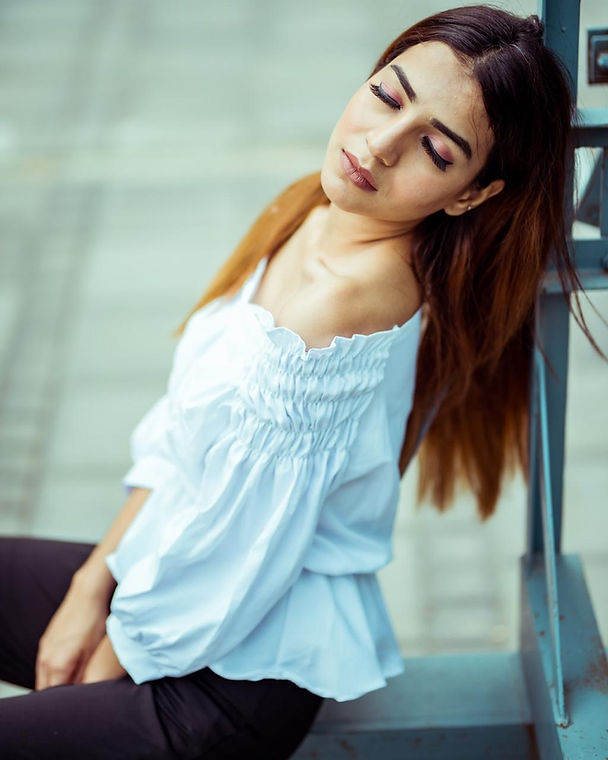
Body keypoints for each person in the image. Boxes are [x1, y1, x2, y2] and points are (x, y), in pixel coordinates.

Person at [0, 4, 605, 759]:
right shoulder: (316, 210)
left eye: (436, 151)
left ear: (471, 196)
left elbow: (237, 554)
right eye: (389, 95)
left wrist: (99, 665)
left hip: (230, 677)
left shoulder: (342, 303)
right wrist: (91, 585)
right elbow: (185, 441)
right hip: (179, 576)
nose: (377, 147)